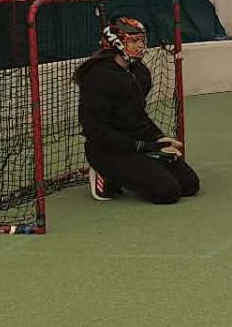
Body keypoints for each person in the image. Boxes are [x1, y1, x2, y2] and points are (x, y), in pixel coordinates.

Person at [79, 15, 200, 204]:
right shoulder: (97, 76)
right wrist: (143, 147)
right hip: (106, 149)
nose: (141, 46)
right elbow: (94, 129)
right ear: (116, 43)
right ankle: (105, 174)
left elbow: (137, 115)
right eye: (134, 41)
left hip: (136, 144)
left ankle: (137, 168)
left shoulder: (139, 72)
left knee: (189, 184)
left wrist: (158, 138)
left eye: (142, 40)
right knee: (167, 192)